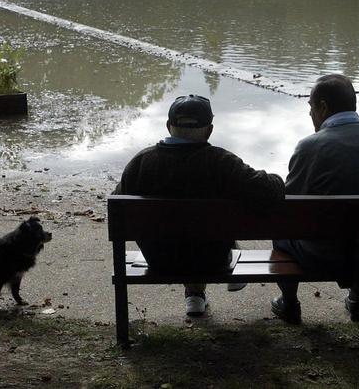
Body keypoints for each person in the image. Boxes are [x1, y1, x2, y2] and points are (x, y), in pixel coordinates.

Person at [114, 95, 284, 316]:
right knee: (211, 229)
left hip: (159, 260)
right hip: (213, 261)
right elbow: (268, 191)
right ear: (209, 130)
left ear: (168, 126)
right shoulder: (222, 162)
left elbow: (117, 208)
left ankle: (194, 295)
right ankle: (214, 278)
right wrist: (277, 179)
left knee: (186, 232)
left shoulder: (141, 162)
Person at [271, 74, 359, 324]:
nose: (310, 114)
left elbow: (289, 206)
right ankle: (356, 299)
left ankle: (289, 304)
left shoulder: (311, 146)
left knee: (281, 231)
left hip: (322, 256)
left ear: (322, 107)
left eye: (310, 107)